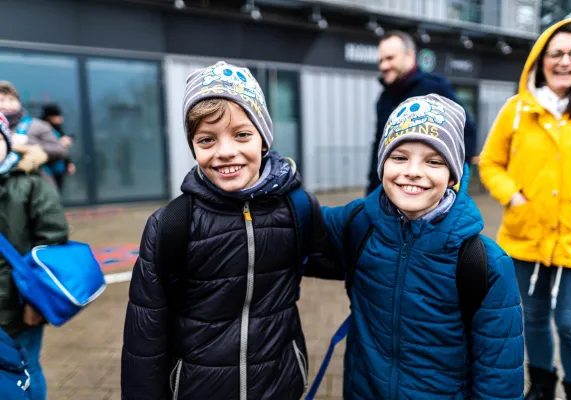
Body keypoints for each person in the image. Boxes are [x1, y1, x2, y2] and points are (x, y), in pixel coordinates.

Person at [121, 61, 339, 399]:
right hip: (197, 389)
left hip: (278, 385)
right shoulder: (172, 225)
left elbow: (349, 258)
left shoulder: (297, 208)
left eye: (241, 135)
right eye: (207, 140)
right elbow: (144, 336)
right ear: (193, 146)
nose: (225, 152)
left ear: (264, 139)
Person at [322, 94, 524, 399]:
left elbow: (499, 380)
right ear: (382, 163)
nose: (413, 171)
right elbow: (291, 222)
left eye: (434, 161)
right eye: (400, 157)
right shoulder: (358, 224)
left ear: (453, 175)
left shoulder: (485, 265)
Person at [479, 18, 571, 400]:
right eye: (557, 53)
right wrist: (514, 197)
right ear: (540, 60)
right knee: (531, 317)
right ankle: (542, 385)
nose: (565, 61)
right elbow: (490, 163)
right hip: (524, 234)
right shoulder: (516, 109)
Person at [0, 111, 69, 399]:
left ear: (6, 141)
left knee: (26, 367)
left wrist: (34, 303)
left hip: (18, 304)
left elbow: (53, 240)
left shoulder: (29, 181)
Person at [366, 31, 477, 195]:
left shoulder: (434, 89)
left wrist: (451, 187)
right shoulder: (384, 99)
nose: (383, 66)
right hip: (387, 196)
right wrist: (372, 192)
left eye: (390, 58)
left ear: (410, 56)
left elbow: (466, 133)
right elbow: (379, 146)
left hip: (425, 195)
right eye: (381, 60)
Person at [0, 81, 69, 187]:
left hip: (34, 187)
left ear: (19, 102)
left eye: (11, 100)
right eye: (2, 100)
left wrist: (28, 143)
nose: (6, 105)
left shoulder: (36, 125)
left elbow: (60, 150)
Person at [40, 104, 76, 191]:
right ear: (50, 117)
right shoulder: (43, 130)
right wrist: (59, 143)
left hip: (59, 168)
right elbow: (42, 148)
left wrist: (68, 162)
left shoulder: (58, 130)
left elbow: (62, 151)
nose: (61, 119)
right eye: (58, 116)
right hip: (47, 170)